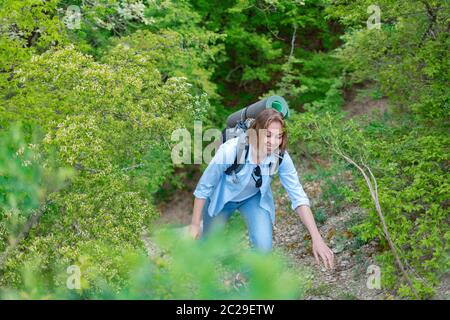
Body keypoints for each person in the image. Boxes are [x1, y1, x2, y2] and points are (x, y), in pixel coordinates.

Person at [189, 109, 334, 270]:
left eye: (278, 136)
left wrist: (317, 238)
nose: (273, 142)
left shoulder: (280, 157)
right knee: (209, 242)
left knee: (264, 249)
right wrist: (194, 225)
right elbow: (203, 188)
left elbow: (298, 196)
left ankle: (244, 279)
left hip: (253, 199)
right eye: (268, 135)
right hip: (222, 199)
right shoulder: (231, 150)